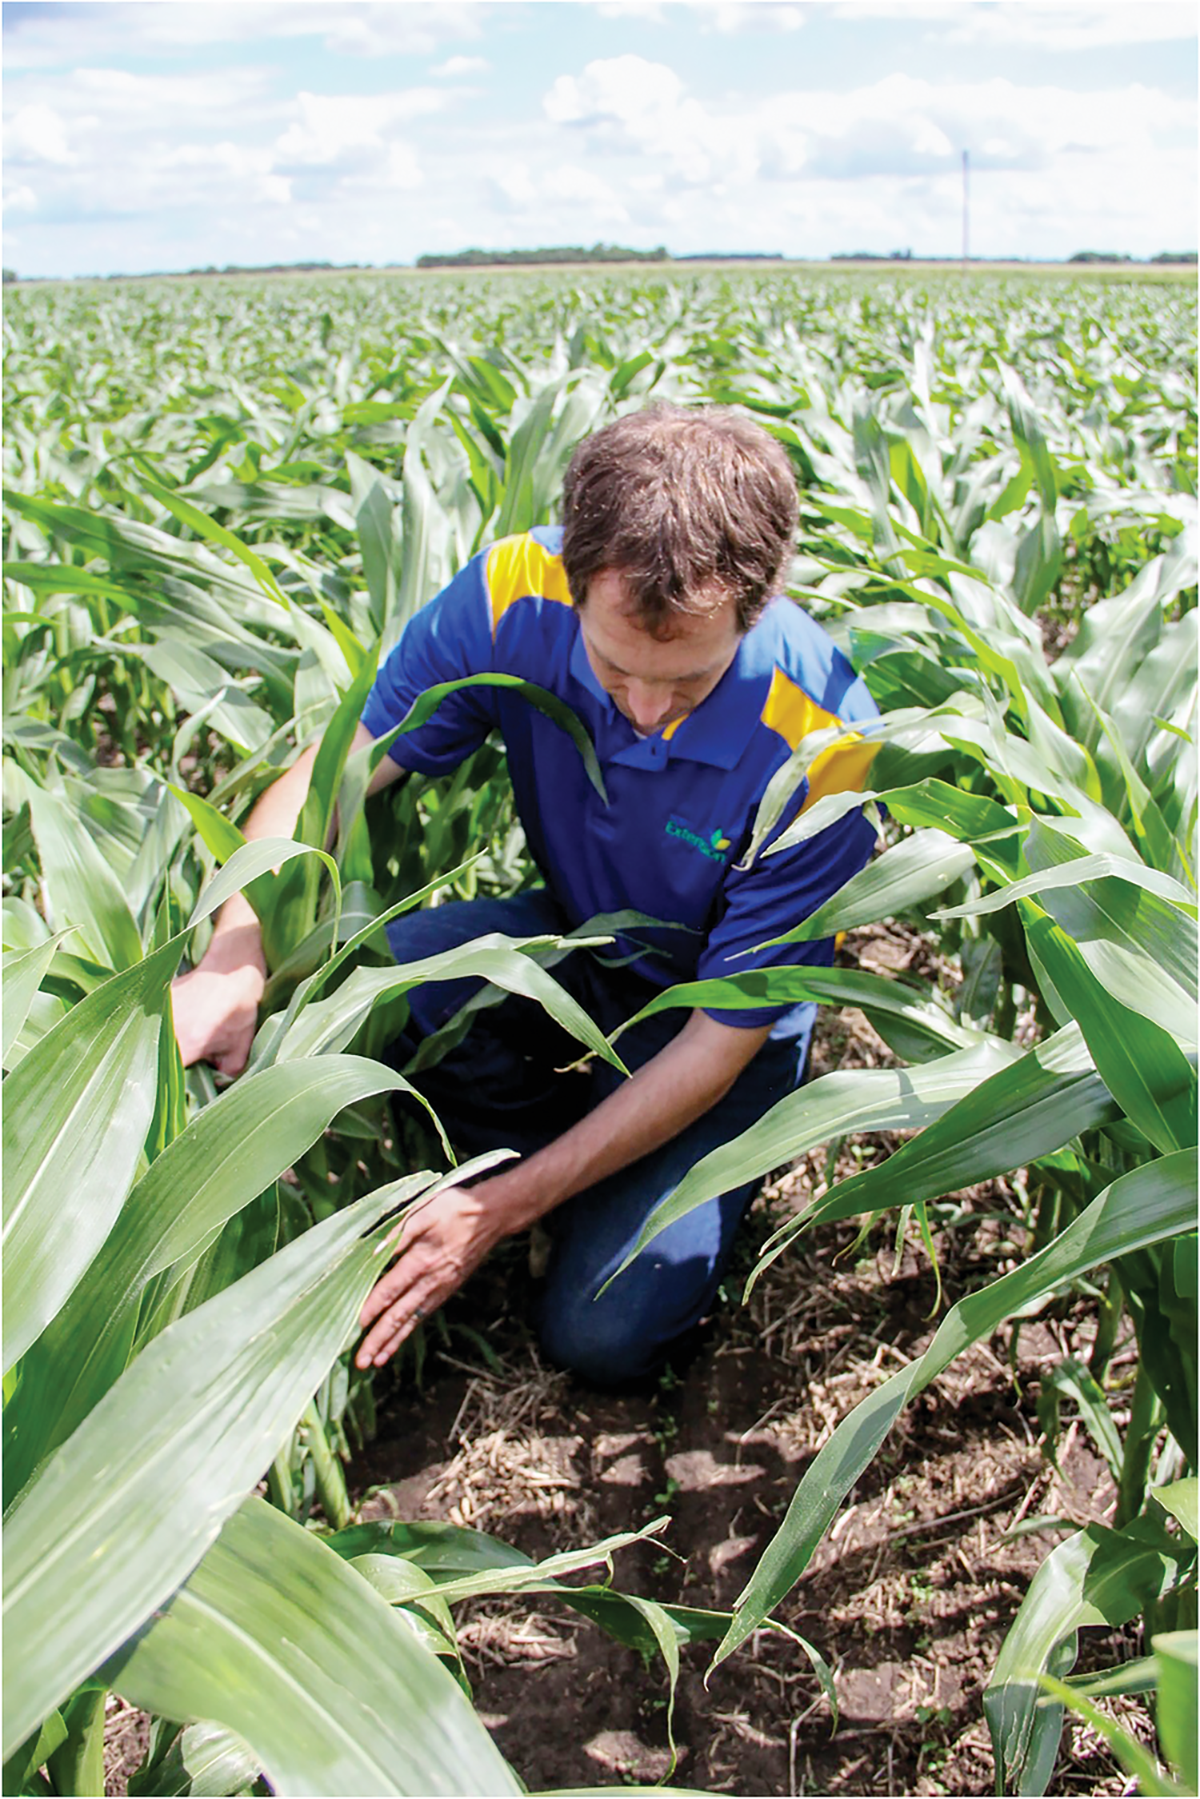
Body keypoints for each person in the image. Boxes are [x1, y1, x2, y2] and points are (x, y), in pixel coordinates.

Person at [173, 405, 879, 1387]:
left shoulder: (826, 747)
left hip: (716, 1031)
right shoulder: (512, 593)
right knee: (372, 982)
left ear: (753, 610)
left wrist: (503, 1207)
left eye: (685, 682)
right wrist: (233, 952)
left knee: (601, 1335)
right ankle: (568, 1158)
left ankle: (648, 1184)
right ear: (574, 575)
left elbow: (716, 1045)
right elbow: (326, 781)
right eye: (615, 666)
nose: (642, 709)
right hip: (575, 945)